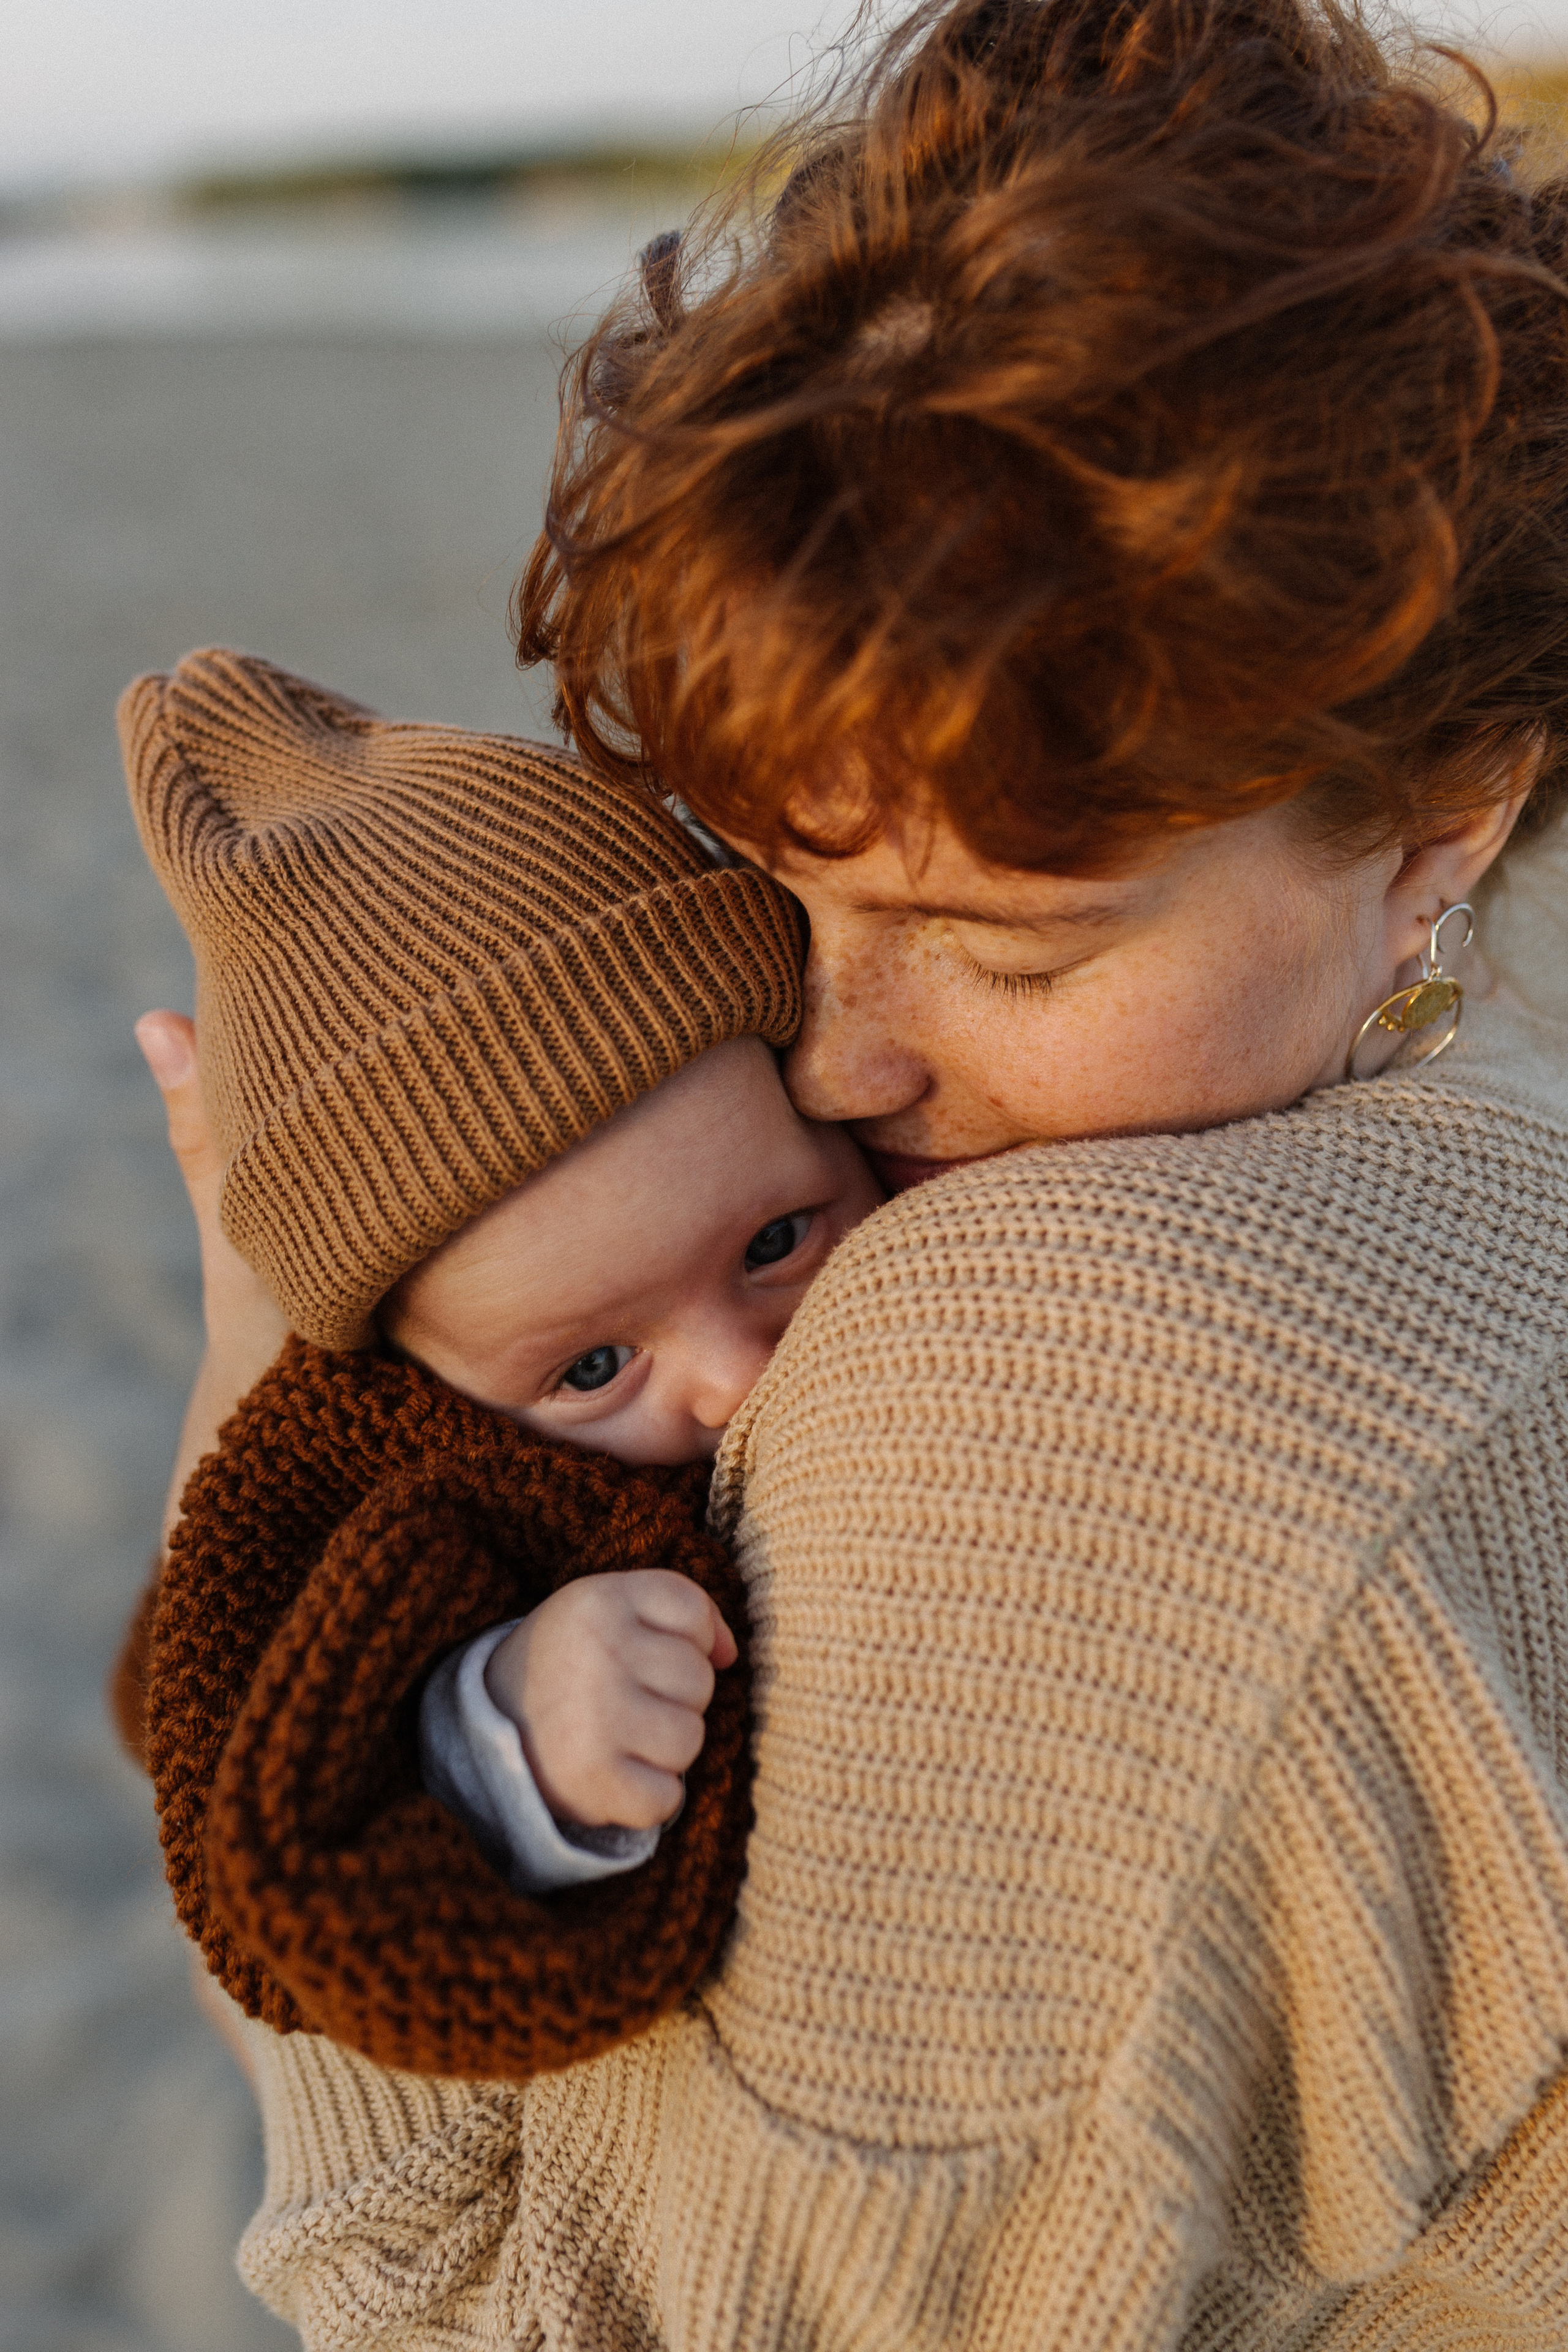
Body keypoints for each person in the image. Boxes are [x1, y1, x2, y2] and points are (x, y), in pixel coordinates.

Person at [135, 0, 1568, 2343]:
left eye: (1000, 946)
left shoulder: (1042, 1386)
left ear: (1444, 821)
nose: (828, 1048)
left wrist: (256, 1396)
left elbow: (445, 2305)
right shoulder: (1505, 1223)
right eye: (777, 894)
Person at [116, 643, 878, 2080]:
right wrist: (506, 1745)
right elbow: (271, 1821)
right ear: (420, 1386)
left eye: (775, 1235)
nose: (734, 1378)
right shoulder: (449, 1496)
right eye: (593, 1368)